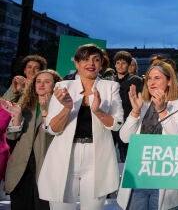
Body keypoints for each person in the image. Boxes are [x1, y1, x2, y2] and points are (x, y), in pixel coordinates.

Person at [37, 44, 124, 210]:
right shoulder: (62, 87)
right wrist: (67, 108)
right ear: (76, 63)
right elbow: (52, 129)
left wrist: (97, 111)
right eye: (85, 59)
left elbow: (116, 124)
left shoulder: (110, 87)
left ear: (101, 64)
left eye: (96, 59)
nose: (90, 63)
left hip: (97, 156)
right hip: (65, 155)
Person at [117, 61, 178, 210]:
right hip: (138, 175)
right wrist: (135, 112)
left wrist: (162, 110)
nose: (151, 82)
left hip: (164, 177)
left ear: (169, 81)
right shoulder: (142, 103)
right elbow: (124, 137)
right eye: (149, 78)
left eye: (157, 78)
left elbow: (177, 138)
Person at [4, 69, 61, 210]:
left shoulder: (62, 106)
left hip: (46, 165)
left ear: (56, 85)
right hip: (21, 165)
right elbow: (11, 136)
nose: (41, 85)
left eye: (47, 82)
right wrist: (16, 120)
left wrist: (45, 112)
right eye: (38, 81)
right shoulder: (25, 104)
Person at [113, 51, 143, 163]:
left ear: (129, 65)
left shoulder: (136, 80)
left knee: (125, 156)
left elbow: (139, 103)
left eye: (123, 63)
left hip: (127, 122)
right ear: (115, 64)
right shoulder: (110, 81)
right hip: (111, 122)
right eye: (118, 63)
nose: (120, 65)